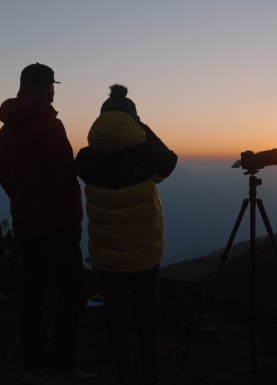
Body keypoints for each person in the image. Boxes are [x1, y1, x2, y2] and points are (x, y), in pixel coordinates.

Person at [0, 63, 97, 385]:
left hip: (25, 224)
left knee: (33, 296)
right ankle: (63, 367)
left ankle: (34, 369)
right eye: (51, 86)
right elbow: (65, 178)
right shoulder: (49, 127)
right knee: (73, 294)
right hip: (57, 225)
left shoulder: (4, 131)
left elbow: (5, 180)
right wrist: (74, 218)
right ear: (46, 89)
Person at [75, 84, 177, 385]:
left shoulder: (85, 158)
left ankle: (123, 375)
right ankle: (148, 375)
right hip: (145, 255)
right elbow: (169, 163)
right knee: (147, 317)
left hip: (107, 257)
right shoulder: (145, 152)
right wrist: (143, 127)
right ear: (133, 120)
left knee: (116, 319)